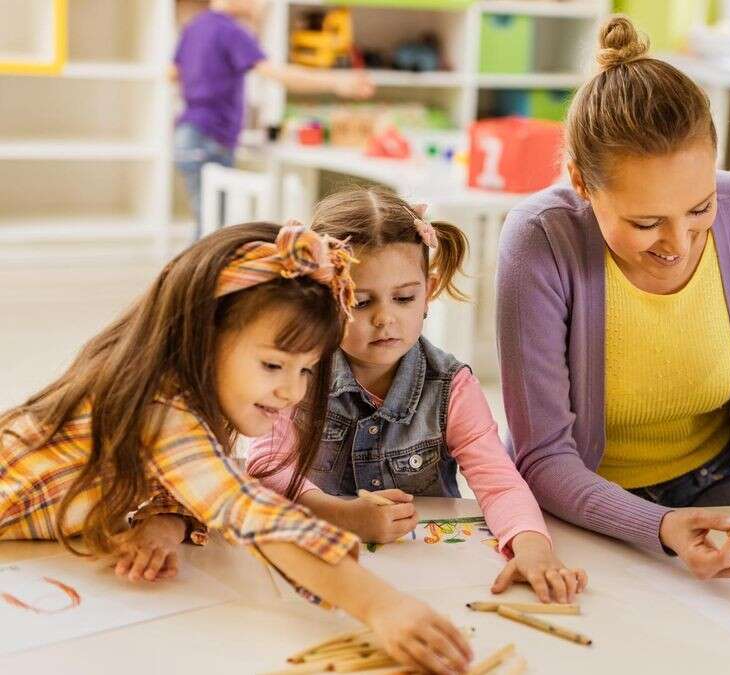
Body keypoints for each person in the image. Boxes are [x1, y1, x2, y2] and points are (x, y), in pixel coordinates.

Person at [0, 223, 472, 674]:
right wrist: (382, 605)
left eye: (306, 370)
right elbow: (249, 511)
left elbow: (181, 470)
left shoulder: (180, 391)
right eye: (273, 365)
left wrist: (165, 520)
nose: (293, 392)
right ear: (204, 337)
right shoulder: (161, 408)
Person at [496, 16, 730, 581]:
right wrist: (659, 526)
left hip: (719, 480)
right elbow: (541, 456)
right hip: (583, 494)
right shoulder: (540, 239)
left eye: (699, 208)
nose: (679, 243)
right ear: (581, 184)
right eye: (646, 222)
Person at [247, 188, 587, 604]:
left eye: (405, 298)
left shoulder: (452, 386)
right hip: (323, 576)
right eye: (361, 301)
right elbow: (264, 466)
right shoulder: (298, 372)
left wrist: (533, 548)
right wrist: (337, 513)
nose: (386, 318)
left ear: (428, 291)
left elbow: (499, 484)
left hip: (430, 583)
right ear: (323, 298)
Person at [173, 0, 374, 232]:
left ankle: (199, 267)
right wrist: (337, 83)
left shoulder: (195, 26)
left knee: (207, 222)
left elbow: (172, 73)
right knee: (213, 229)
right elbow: (278, 74)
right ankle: (199, 269)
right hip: (210, 135)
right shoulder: (231, 31)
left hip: (188, 133)